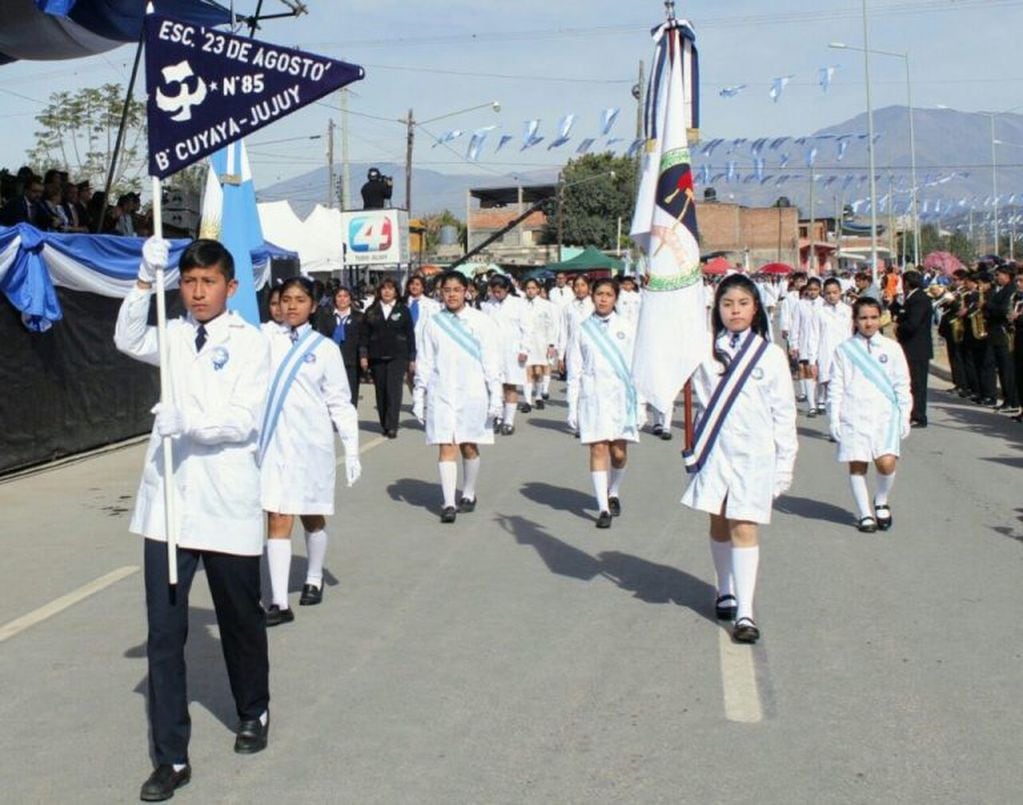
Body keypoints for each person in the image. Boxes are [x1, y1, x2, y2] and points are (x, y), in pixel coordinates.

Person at [114, 237, 271, 801]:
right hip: (171, 508)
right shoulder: (174, 336)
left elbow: (243, 420)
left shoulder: (250, 344)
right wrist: (140, 278)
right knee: (163, 634)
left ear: (231, 287)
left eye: (208, 282)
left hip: (226, 502)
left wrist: (192, 424)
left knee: (240, 620)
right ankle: (172, 757)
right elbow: (127, 338)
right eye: (188, 281)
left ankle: (253, 709)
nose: (197, 292)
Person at [681, 273, 797, 644]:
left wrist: (785, 464)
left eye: (743, 304)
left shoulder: (771, 356)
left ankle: (745, 612)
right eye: (728, 304)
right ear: (718, 310)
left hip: (755, 454)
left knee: (745, 525)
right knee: (719, 521)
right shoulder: (703, 353)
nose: (735, 311)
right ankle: (725, 588)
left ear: (756, 309)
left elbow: (784, 414)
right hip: (715, 450)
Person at [260, 277, 362, 625]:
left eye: (299, 300)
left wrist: (351, 448)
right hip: (273, 442)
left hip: (311, 444)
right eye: (285, 299)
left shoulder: (326, 349)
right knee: (276, 514)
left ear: (312, 305)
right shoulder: (264, 339)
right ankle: (278, 602)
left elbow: (340, 401)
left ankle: (313, 577)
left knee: (311, 515)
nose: (291, 306)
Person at [412, 271, 503, 523]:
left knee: (469, 445)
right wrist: (419, 395)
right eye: (446, 290)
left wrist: (496, 396)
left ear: (466, 291)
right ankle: (449, 502)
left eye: (456, 289)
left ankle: (469, 492)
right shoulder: (433, 322)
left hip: (473, 392)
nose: (451, 294)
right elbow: (425, 361)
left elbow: (492, 361)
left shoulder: (481, 322)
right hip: (442, 392)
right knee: (446, 444)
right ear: (440, 293)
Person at [828, 297, 912, 533]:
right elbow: (836, 386)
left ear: (880, 318)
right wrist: (834, 417)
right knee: (858, 464)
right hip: (854, 413)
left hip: (885, 415)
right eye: (863, 318)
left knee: (886, 463)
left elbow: (902, 383)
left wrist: (905, 414)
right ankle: (865, 513)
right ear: (855, 320)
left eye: (873, 317)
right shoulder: (844, 350)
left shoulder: (892, 348)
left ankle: (881, 500)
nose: (868, 323)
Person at [566, 278, 640, 528]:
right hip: (593, 396)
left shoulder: (627, 327)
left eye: (608, 294)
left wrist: (640, 405)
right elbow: (574, 369)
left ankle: (614, 491)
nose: (603, 299)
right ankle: (603, 509)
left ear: (615, 298)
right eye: (599, 294)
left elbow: (636, 368)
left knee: (618, 453)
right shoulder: (582, 328)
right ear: (592, 297)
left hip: (621, 397)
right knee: (598, 449)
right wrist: (571, 404)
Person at [359, 277, 415, 438]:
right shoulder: (371, 310)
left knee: (394, 390)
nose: (387, 291)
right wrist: (364, 355)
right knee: (381, 390)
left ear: (396, 292)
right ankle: (384, 422)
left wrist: (412, 358)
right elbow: (364, 335)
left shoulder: (402, 310)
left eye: (391, 288)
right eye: (384, 288)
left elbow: (410, 334)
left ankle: (392, 425)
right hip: (376, 356)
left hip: (398, 356)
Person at [481, 274, 528, 434]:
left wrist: (524, 349)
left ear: (507, 288)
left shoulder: (519, 304)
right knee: (494, 384)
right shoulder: (487, 305)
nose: (496, 294)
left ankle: (509, 421)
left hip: (512, 350)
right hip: (492, 351)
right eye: (494, 291)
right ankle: (498, 416)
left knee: (510, 384)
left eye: (499, 291)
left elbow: (527, 328)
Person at [891, 270, 933, 428]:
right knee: (910, 383)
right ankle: (911, 412)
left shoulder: (919, 299)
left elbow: (913, 323)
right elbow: (902, 313)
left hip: (917, 348)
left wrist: (899, 328)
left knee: (918, 384)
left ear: (907, 282)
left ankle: (919, 415)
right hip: (910, 347)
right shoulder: (911, 297)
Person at [317, 285, 364, 407]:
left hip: (351, 361)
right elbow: (322, 337)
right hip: (332, 360)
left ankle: (350, 418)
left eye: (345, 296)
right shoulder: (327, 317)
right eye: (339, 296)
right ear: (335, 299)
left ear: (350, 299)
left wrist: (363, 356)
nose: (342, 299)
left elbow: (363, 339)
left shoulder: (359, 317)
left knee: (351, 393)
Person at [814, 277, 853, 420]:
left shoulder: (848, 311)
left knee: (845, 392)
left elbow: (851, 334)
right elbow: (814, 336)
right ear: (824, 294)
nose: (831, 296)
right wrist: (813, 360)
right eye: (828, 293)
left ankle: (844, 422)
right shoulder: (819, 312)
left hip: (845, 355)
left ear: (840, 292)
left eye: (834, 292)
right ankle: (833, 424)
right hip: (826, 355)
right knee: (831, 392)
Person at [985, 264, 1019, 415]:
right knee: (1002, 369)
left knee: (1007, 369)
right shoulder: (1001, 289)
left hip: (1003, 333)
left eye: (999, 274)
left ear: (1007, 275)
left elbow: (1004, 310)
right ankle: (1007, 399)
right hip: (995, 333)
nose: (997, 277)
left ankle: (1011, 400)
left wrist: (988, 305)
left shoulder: (1010, 290)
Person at [521, 277, 559, 410]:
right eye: (528, 288)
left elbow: (551, 325)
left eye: (533, 288)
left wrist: (552, 344)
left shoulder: (545, 305)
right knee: (527, 370)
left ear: (538, 289)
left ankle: (538, 396)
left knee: (539, 371)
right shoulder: (521, 304)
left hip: (541, 341)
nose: (530, 291)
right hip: (525, 342)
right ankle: (527, 401)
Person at [792, 277, 824, 415]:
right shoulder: (800, 304)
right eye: (810, 289)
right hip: (804, 343)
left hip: (821, 344)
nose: (812, 292)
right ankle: (812, 405)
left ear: (820, 290)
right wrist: (794, 344)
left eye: (815, 289)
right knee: (808, 373)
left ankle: (821, 401)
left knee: (821, 374)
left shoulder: (824, 304)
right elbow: (795, 326)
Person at [556, 274, 595, 386]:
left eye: (583, 285)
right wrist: (560, 356)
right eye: (576, 286)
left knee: (590, 379)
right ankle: (572, 404)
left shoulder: (594, 306)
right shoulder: (568, 308)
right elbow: (563, 332)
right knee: (573, 379)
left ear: (588, 287)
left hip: (592, 346)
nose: (580, 289)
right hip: (573, 347)